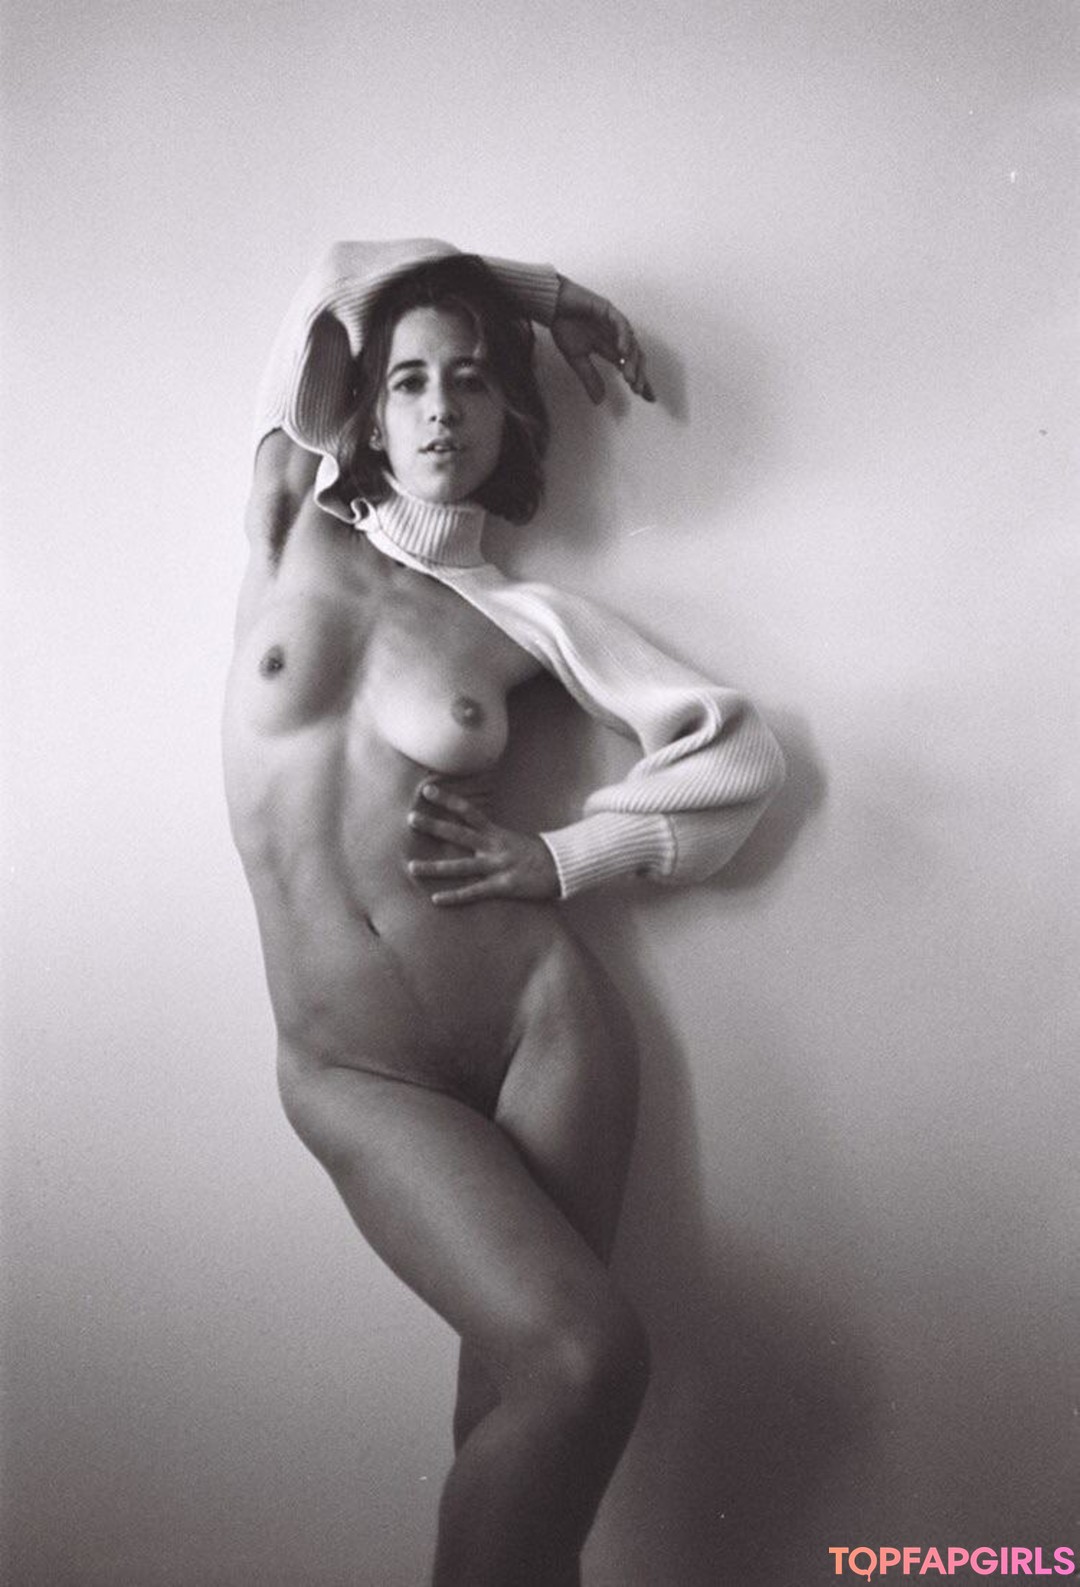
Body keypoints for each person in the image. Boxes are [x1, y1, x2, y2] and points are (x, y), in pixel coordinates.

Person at [223, 239, 784, 1587]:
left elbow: (738, 753)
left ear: (509, 418)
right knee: (582, 1360)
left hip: (545, 1032)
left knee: (528, 1398)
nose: (440, 408)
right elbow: (334, 273)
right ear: (363, 411)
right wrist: (537, 294)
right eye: (410, 380)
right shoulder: (292, 516)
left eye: (473, 380)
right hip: (354, 1070)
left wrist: (568, 858)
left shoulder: (526, 619)